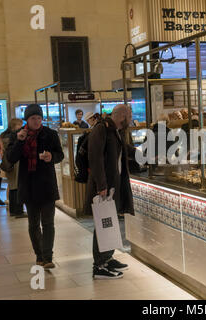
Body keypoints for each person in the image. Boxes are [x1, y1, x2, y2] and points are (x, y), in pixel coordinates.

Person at [6, 104, 64, 269]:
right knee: (33, 224)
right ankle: (39, 255)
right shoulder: (18, 135)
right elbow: (11, 157)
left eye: (39, 118)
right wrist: (19, 141)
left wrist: (51, 156)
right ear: (27, 119)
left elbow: (60, 154)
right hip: (28, 185)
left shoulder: (50, 135)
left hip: (46, 185)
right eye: (33, 118)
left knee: (48, 223)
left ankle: (47, 257)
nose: (37, 121)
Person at [87, 104, 134, 280]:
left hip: (114, 185)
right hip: (104, 187)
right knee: (103, 224)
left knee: (110, 223)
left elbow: (123, 151)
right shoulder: (102, 129)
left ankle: (107, 258)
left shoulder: (116, 130)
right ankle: (99, 266)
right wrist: (101, 185)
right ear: (122, 115)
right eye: (129, 115)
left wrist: (144, 154)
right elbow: (95, 158)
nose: (131, 118)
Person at [0, 118, 26, 218]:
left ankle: (13, 210)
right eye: (20, 125)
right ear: (14, 126)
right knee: (16, 187)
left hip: (10, 164)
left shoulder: (4, 135)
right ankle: (18, 211)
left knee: (12, 187)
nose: (22, 127)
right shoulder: (11, 136)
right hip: (14, 164)